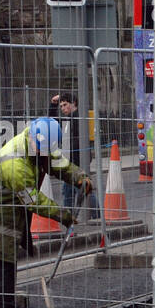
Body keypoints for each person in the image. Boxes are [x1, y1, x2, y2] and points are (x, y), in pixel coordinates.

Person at [0, 117, 91, 308]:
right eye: (40, 148)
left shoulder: (39, 144)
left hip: (6, 210)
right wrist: (63, 215)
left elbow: (58, 163)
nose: (42, 152)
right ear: (32, 137)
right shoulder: (14, 164)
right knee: (3, 260)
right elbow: (33, 200)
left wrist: (79, 177)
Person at [50, 92, 100, 223]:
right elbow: (53, 122)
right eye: (61, 106)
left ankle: (75, 217)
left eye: (65, 105)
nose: (63, 108)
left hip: (77, 160)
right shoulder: (69, 119)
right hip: (70, 160)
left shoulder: (77, 117)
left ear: (74, 104)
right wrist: (52, 105)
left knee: (76, 190)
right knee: (72, 190)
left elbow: (78, 141)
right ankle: (88, 216)